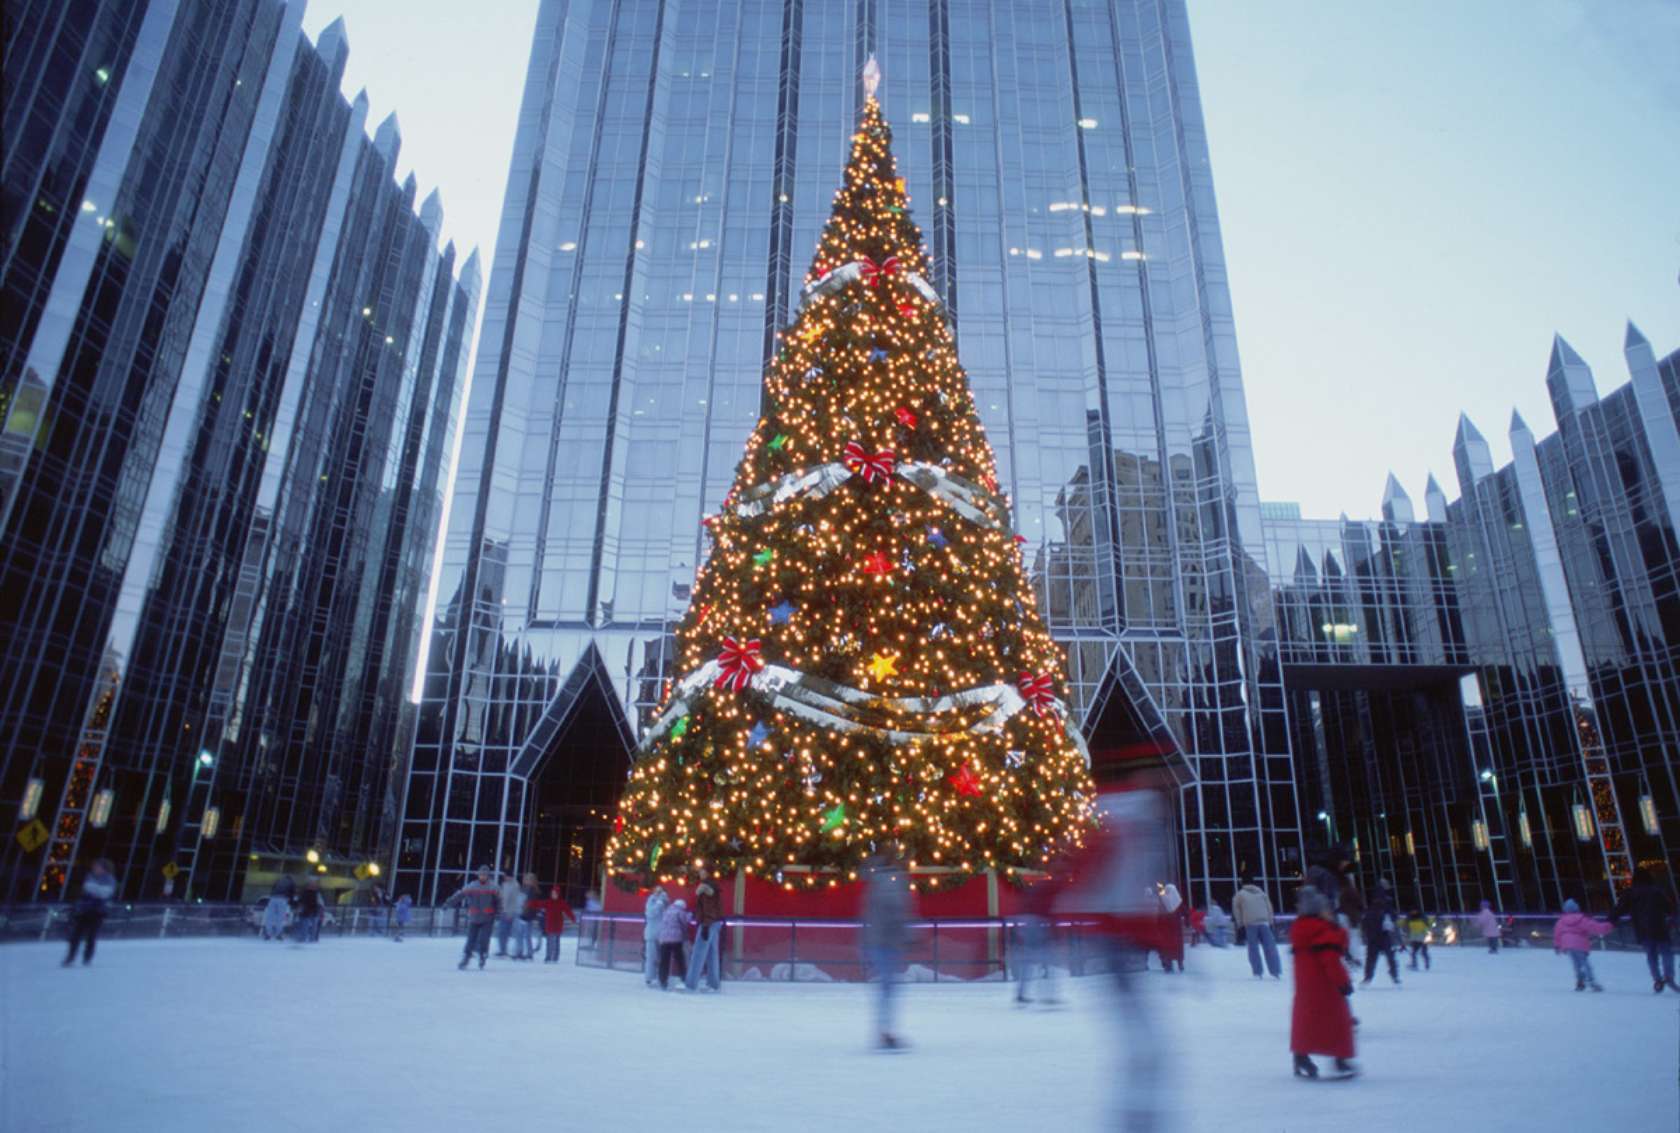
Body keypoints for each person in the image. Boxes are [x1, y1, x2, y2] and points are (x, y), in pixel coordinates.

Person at [1290, 884, 1357, 1080]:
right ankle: (1341, 1060)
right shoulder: (1324, 931)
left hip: (1306, 988)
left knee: (1306, 1022)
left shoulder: (1301, 929)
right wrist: (1343, 983)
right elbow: (1331, 961)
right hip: (1326, 987)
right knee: (1338, 1022)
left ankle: (1301, 1057)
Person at [862, 847, 912, 1050]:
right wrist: (908, 935)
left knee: (887, 988)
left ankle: (884, 1031)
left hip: (878, 941)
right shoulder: (894, 882)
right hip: (886, 943)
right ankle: (885, 1033)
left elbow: (870, 914)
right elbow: (897, 911)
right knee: (888, 989)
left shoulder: (877, 883)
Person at [1607, 868, 1678, 993]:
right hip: (1659, 927)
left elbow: (1620, 908)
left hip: (1642, 929)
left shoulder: (1630, 893)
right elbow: (1669, 907)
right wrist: (1673, 918)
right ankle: (1669, 975)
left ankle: (1657, 979)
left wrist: (1611, 919)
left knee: (1651, 955)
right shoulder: (1657, 891)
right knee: (1666, 952)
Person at [62, 859, 117, 967]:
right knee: (75, 935)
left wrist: (94, 890)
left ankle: (87, 957)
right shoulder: (90, 876)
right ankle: (70, 957)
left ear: (104, 868)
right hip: (84, 910)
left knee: (91, 936)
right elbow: (87, 888)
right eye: (95, 866)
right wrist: (96, 890)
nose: (95, 868)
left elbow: (105, 894)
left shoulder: (110, 879)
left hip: (97, 912)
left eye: (98, 867)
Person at [446, 866, 500, 970]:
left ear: (488, 876)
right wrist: (448, 903)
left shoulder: (493, 887)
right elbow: (460, 895)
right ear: (478, 875)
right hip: (474, 917)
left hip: (488, 918)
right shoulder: (472, 886)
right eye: (481, 874)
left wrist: (499, 913)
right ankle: (466, 957)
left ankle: (482, 955)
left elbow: (499, 901)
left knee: (484, 939)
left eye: (485, 875)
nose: (483, 876)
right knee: (471, 939)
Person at [1553, 898, 1612, 992]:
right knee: (1585, 964)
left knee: (1576, 964)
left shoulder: (1561, 921)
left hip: (1568, 945)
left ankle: (1580, 981)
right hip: (1579, 944)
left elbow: (1557, 934)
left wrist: (1557, 946)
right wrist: (1608, 926)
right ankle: (1591, 981)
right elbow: (1594, 927)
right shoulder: (1582, 919)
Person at [1233, 876, 1282, 979]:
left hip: (1250, 923)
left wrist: (1240, 923)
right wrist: (1270, 920)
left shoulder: (1240, 894)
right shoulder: (1261, 893)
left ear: (1242, 884)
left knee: (1253, 949)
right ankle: (1275, 971)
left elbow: (1236, 909)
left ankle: (1257, 972)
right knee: (1270, 947)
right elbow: (1269, 907)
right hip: (1264, 922)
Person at [685, 867, 725, 992]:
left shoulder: (705, 887)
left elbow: (709, 908)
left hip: (708, 923)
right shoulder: (713, 886)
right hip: (716, 922)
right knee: (712, 953)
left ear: (707, 872)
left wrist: (706, 925)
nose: (699, 873)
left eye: (701, 871)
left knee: (698, 953)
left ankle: (691, 984)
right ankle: (713, 983)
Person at [1360, 878, 1400, 986]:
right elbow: (1393, 917)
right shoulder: (1386, 905)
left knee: (1372, 958)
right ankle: (1394, 976)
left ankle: (1368, 977)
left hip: (1375, 935)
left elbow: (1365, 922)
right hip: (1381, 935)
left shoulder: (1373, 908)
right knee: (1389, 957)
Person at [655, 898, 690, 990]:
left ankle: (663, 981)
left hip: (664, 939)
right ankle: (683, 978)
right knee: (680, 959)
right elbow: (684, 923)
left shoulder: (667, 910)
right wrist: (689, 916)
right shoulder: (680, 911)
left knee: (664, 961)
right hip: (676, 940)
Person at [1336, 862, 1366, 968]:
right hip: (1351, 917)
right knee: (1354, 937)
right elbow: (1359, 903)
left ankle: (1348, 956)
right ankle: (1353, 958)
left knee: (1347, 937)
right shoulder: (1351, 890)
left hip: (1343, 915)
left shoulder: (1341, 891)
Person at [643, 885, 671, 986]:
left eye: (660, 890)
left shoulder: (666, 902)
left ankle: (662, 978)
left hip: (664, 934)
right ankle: (649, 977)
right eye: (656, 890)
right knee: (651, 956)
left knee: (663, 958)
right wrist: (659, 904)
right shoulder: (651, 900)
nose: (657, 892)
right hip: (651, 933)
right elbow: (650, 913)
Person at [539, 886, 574, 963]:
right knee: (549, 941)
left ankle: (555, 957)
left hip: (557, 925)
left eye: (555, 893)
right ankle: (548, 956)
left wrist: (573, 919)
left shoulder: (562, 903)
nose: (553, 895)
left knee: (556, 941)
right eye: (552, 893)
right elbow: (540, 906)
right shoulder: (548, 902)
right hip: (549, 924)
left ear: (558, 894)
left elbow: (568, 911)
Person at [1156, 882, 1185, 972]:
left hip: (1166, 928)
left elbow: (1159, 915)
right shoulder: (1178, 901)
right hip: (1176, 929)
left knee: (1167, 946)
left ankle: (1168, 964)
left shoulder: (1164, 901)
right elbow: (1185, 912)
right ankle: (1180, 964)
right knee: (1178, 946)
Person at [512, 872, 541, 960]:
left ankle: (529, 953)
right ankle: (519, 952)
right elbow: (519, 901)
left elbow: (530, 905)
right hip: (520, 914)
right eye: (526, 879)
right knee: (519, 935)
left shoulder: (533, 891)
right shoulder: (523, 889)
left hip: (527, 916)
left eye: (529, 879)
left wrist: (526, 914)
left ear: (532, 881)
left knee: (526, 935)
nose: (527, 881)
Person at [496, 872, 524, 957]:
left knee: (516, 933)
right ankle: (502, 950)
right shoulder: (504, 885)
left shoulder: (515, 886)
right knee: (502, 932)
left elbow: (513, 901)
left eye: (507, 876)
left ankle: (518, 951)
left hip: (512, 912)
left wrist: (510, 913)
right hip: (504, 911)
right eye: (505, 876)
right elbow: (502, 898)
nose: (505, 878)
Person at [291, 878, 325, 944]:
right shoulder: (305, 893)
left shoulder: (315, 893)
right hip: (307, 911)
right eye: (311, 884)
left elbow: (320, 903)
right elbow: (299, 901)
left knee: (311, 925)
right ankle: (304, 938)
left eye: (313, 884)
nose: (312, 886)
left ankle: (311, 938)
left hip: (311, 911)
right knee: (306, 925)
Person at [262, 874, 295, 941]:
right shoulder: (291, 882)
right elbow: (292, 893)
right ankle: (278, 934)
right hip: (283, 899)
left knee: (270, 916)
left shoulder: (278, 881)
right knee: (280, 917)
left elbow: (273, 888)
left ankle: (268, 933)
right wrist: (291, 902)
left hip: (273, 898)